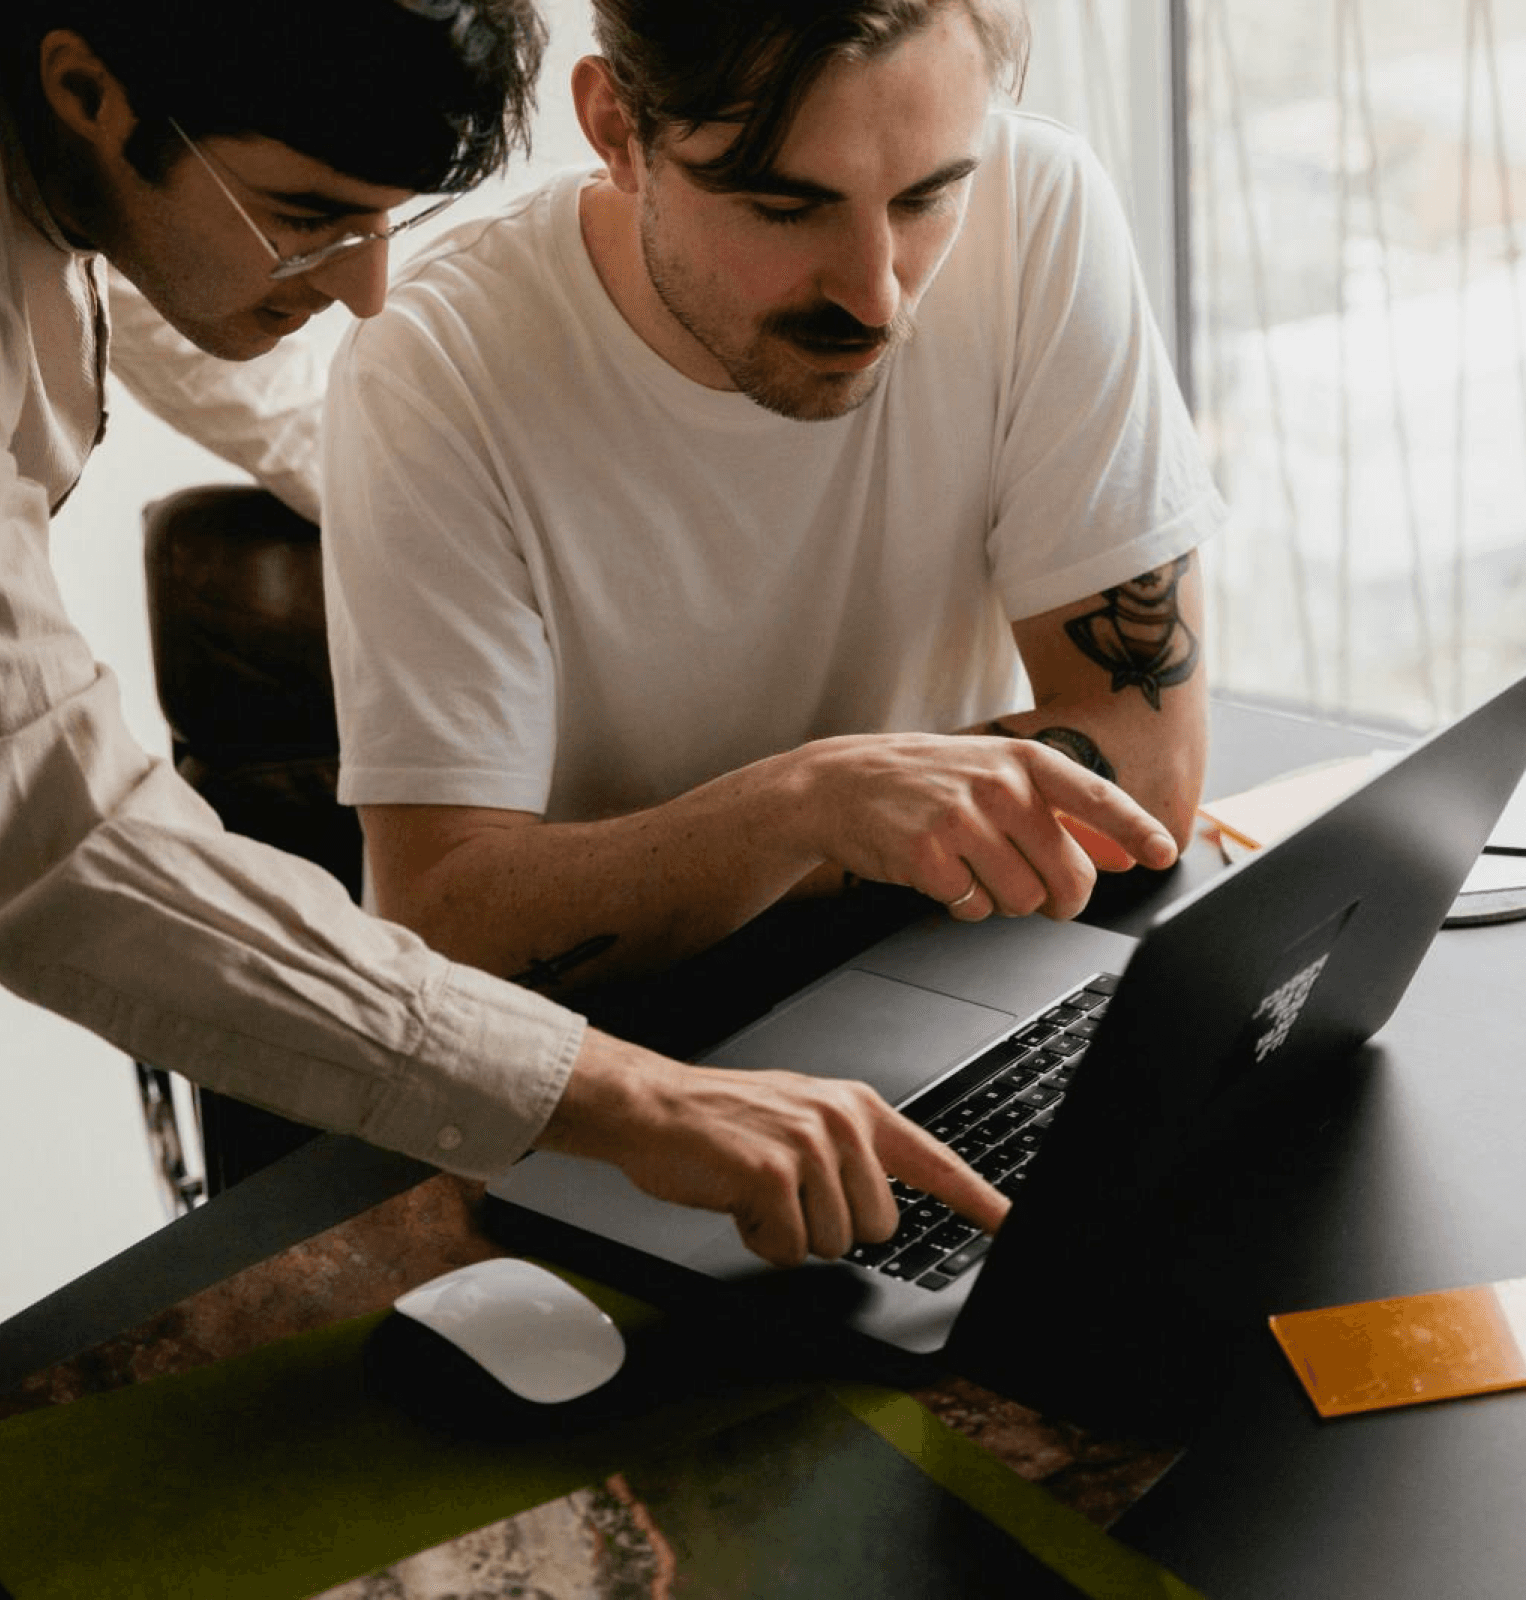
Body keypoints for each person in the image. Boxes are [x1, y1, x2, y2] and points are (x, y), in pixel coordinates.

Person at [0, 0, 1013, 1271]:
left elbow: (204, 279)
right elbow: (63, 842)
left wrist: (434, 487)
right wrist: (639, 1100)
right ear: (85, 89)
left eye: (389, 221)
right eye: (310, 217)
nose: (369, 288)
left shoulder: (96, 133)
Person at [321, 0, 1221, 1007]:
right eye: (787, 209)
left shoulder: (1036, 206)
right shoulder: (435, 362)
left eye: (926, 199)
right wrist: (805, 808)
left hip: (943, 963)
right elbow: (443, 925)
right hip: (636, 1039)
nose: (877, 296)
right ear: (617, 130)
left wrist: (831, 822)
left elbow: (1149, 768)